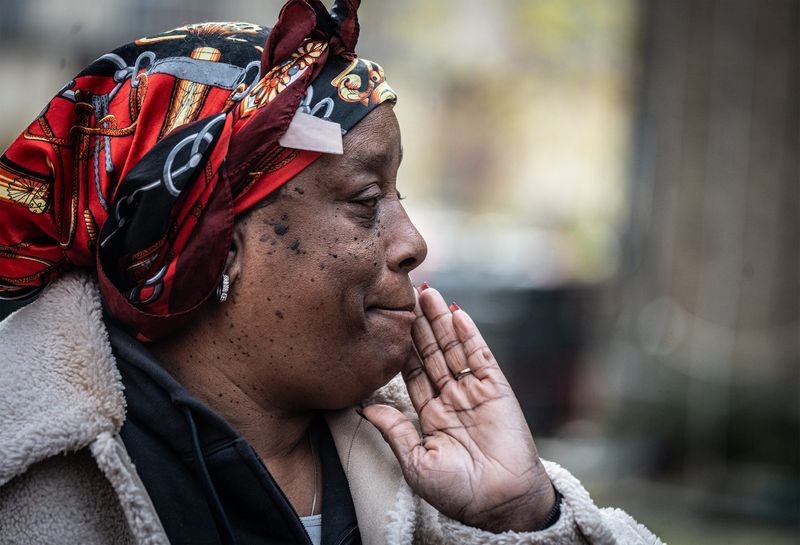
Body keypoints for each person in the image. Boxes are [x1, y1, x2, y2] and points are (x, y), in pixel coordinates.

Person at [0, 1, 663, 544]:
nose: (414, 243)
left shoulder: (434, 469)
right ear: (212, 243)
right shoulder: (26, 478)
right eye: (367, 198)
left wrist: (527, 513)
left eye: (399, 196)